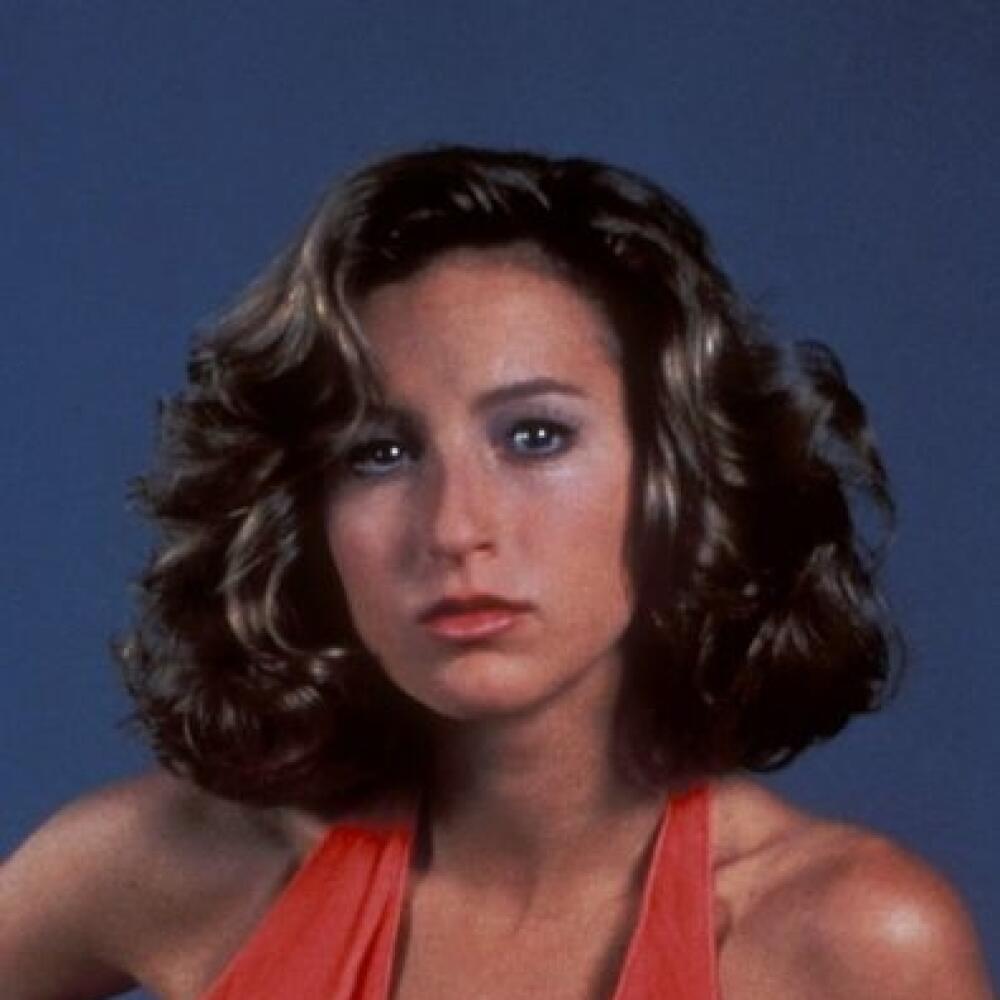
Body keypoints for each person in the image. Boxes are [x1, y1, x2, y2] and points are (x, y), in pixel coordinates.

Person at [0, 146, 991, 999]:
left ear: (677, 475)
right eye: (380, 453)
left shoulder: (846, 938)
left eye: (535, 436)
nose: (455, 527)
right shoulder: (181, 863)